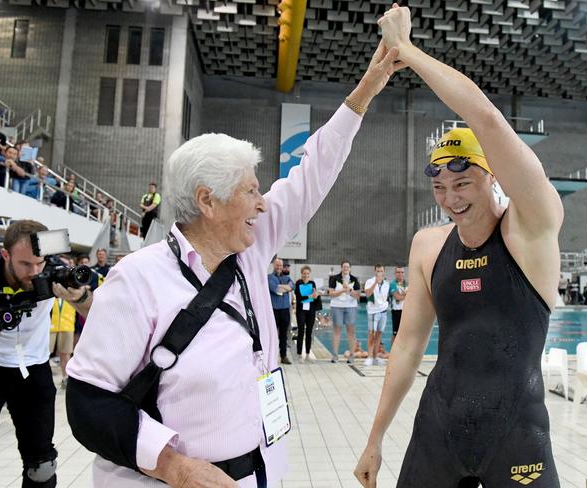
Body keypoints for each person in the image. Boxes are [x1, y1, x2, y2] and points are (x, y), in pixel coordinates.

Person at [65, 43, 401, 488]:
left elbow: (312, 174)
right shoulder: (137, 279)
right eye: (250, 192)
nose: (263, 205)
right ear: (207, 200)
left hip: (255, 475)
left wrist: (366, 91)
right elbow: (88, 405)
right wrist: (175, 467)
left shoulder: (250, 249)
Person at [355, 6, 564, 488]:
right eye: (440, 190)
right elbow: (408, 345)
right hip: (437, 435)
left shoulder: (530, 227)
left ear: (491, 175)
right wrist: (375, 437)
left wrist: (407, 52)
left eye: (463, 183)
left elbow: (486, 119)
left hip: (518, 439)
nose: (451, 199)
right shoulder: (428, 246)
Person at [0, 220, 92, 488]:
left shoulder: (51, 274)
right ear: (6, 255)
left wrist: (80, 296)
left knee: (41, 466)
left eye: (39, 263)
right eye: (26, 265)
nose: (34, 272)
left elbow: (96, 313)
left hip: (34, 371)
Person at [49, 256, 77, 388]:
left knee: (65, 353)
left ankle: (66, 377)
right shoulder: (49, 284)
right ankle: (46, 379)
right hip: (50, 325)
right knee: (45, 354)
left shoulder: (74, 284)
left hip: (67, 324)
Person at [328, 260, 362, 363]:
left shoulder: (354, 280)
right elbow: (331, 294)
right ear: (341, 268)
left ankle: (351, 356)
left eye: (347, 267)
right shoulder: (334, 278)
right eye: (344, 266)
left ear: (350, 268)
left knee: (351, 331)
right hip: (337, 306)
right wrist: (342, 290)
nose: (346, 268)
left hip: (350, 307)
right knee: (337, 330)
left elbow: (358, 296)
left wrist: (349, 290)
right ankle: (335, 355)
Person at [268, 257, 295, 365]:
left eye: (280, 265)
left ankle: (283, 356)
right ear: (274, 266)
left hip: (285, 310)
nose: (279, 267)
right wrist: (285, 288)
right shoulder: (269, 277)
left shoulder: (287, 277)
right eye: (277, 265)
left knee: (283, 335)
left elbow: (292, 287)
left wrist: (283, 287)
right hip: (274, 310)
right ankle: (271, 357)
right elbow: (276, 290)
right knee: (272, 335)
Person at [364, 264, 390, 366]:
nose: (379, 273)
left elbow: (384, 298)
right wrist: (375, 282)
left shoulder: (386, 284)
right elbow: (367, 294)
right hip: (373, 311)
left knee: (379, 334)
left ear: (384, 272)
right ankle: (369, 356)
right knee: (372, 334)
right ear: (375, 272)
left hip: (383, 311)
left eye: (381, 271)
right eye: (377, 271)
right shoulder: (369, 281)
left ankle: (375, 356)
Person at [294, 265, 318, 361]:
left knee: (309, 332)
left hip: (311, 310)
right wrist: (310, 296)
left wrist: (314, 296)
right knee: (301, 332)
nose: (306, 275)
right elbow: (299, 298)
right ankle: (299, 354)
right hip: (301, 311)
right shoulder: (298, 283)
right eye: (304, 273)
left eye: (307, 273)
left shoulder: (312, 283)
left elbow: (314, 297)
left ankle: (308, 354)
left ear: (309, 274)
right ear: (301, 274)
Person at [389, 266, 407, 345]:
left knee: (405, 333)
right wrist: (407, 295)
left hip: (406, 311)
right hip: (396, 311)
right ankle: (392, 353)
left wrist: (403, 295)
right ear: (395, 274)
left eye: (402, 272)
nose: (400, 274)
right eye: (398, 272)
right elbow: (397, 297)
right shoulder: (393, 284)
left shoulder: (407, 284)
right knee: (395, 333)